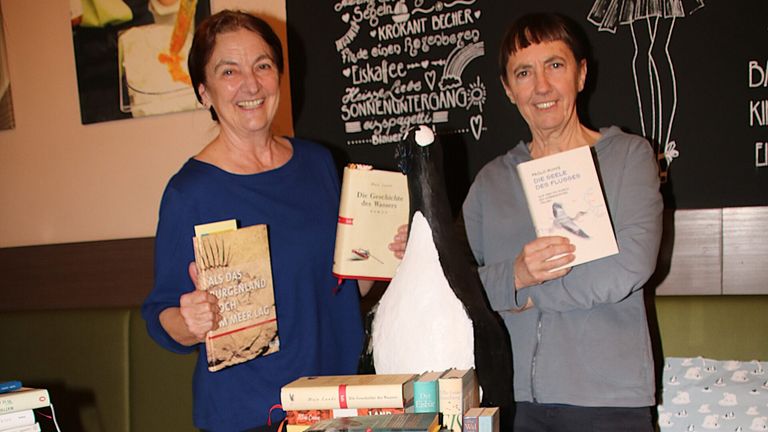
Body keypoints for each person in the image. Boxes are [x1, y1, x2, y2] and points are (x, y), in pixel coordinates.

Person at [390, 12, 663, 432]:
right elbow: (457, 282)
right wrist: (512, 274)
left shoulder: (629, 156)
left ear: (581, 73)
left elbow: (631, 264)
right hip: (510, 401)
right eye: (523, 72)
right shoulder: (492, 180)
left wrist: (536, 292)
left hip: (608, 402)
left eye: (555, 65)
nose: (541, 86)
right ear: (508, 89)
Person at [141, 10, 371, 432]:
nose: (250, 83)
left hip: (339, 403)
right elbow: (161, 316)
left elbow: (346, 283)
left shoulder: (319, 164)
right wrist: (189, 322)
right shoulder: (190, 193)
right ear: (203, 92)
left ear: (279, 76)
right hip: (249, 415)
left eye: (262, 65)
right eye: (229, 71)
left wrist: (378, 256)